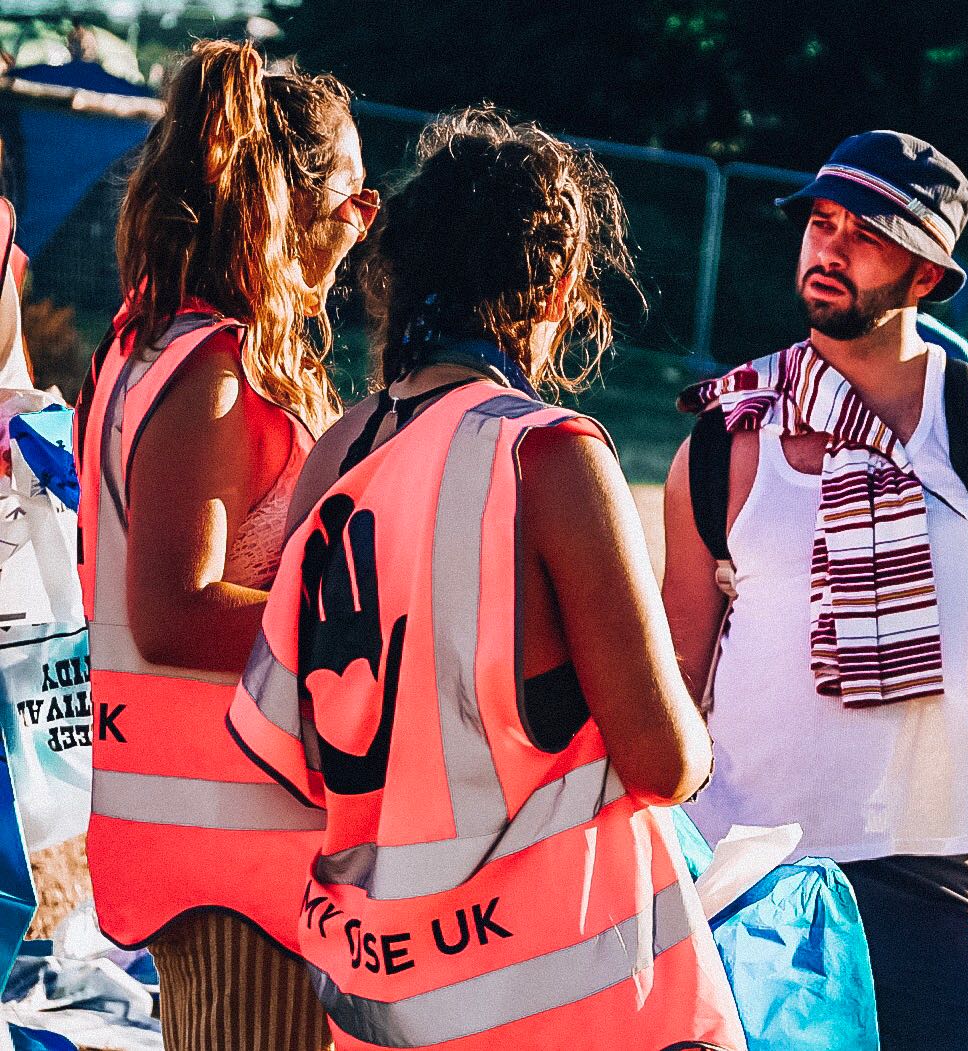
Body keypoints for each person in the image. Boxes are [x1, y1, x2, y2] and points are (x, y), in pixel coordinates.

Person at [227, 106, 746, 1051]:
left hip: (385, 991)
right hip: (565, 1003)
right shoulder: (546, 453)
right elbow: (664, 760)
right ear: (556, 288)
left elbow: (298, 734)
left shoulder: (340, 451)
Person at [663, 130, 968, 1050]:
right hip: (745, 862)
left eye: (866, 234)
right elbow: (674, 674)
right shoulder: (726, 437)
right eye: (821, 223)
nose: (830, 247)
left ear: (927, 276)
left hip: (929, 859)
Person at [75, 40, 374, 1051]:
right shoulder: (209, 366)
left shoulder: (164, 346)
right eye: (355, 199)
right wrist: (370, 639)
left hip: (226, 842)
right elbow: (173, 610)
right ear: (291, 203)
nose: (365, 225)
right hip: (242, 857)